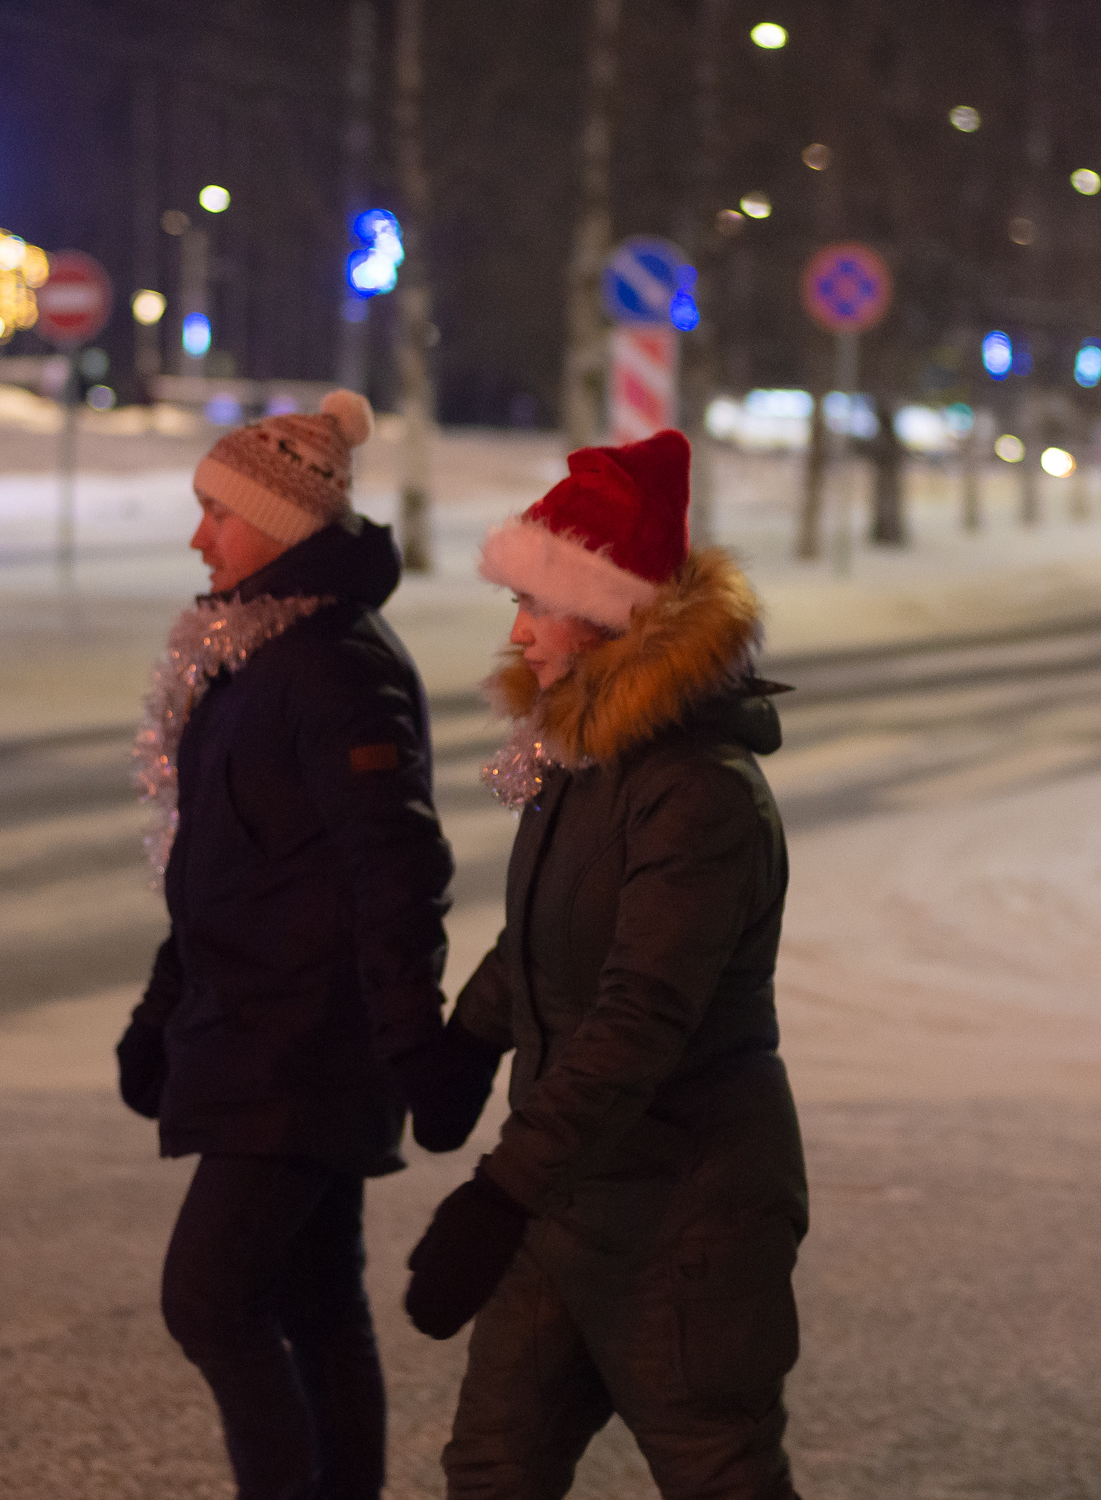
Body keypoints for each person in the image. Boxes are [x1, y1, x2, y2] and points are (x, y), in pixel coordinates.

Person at [400, 429, 810, 1500]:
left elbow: (635, 1021)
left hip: (687, 1214)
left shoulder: (697, 793)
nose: (519, 632)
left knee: (718, 1473)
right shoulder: (581, 757)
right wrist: (465, 1045)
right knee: (492, 1469)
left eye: (536, 603)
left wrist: (497, 1195)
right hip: (569, 1195)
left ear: (611, 616)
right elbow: (546, 940)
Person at [117, 388, 476, 1500]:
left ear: (274, 525)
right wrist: (162, 1013)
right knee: (316, 1304)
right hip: (256, 1032)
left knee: (212, 1299)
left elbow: (395, 865)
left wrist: (412, 1040)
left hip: (304, 1042)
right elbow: (217, 870)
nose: (197, 538)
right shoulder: (252, 658)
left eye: (214, 515)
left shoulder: (333, 666)